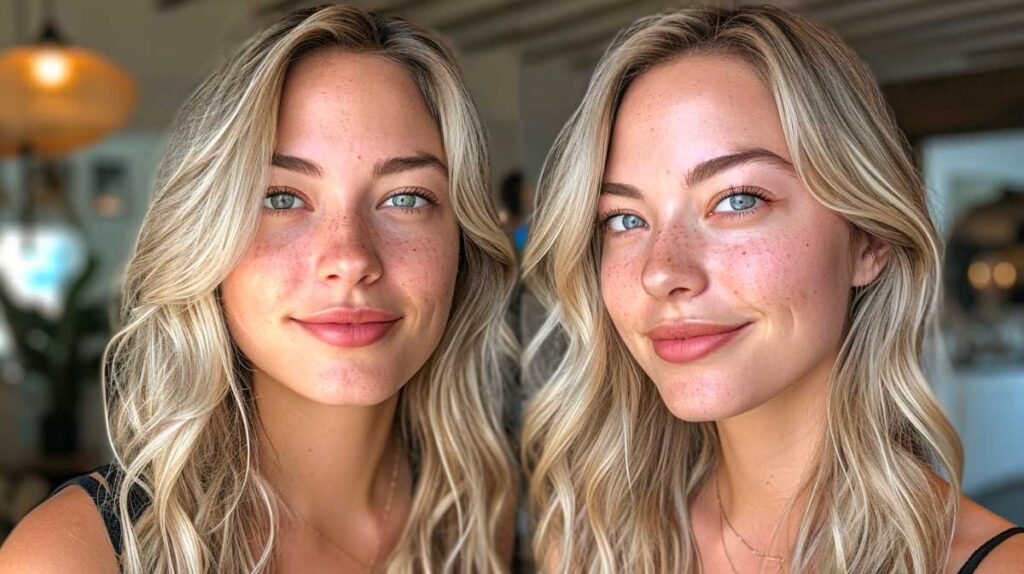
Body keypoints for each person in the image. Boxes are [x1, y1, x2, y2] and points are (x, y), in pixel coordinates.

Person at [0, 5, 517, 573]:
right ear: (206, 238)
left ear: (462, 244)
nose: (350, 260)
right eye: (281, 198)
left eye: (406, 198)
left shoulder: (498, 515)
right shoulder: (74, 557)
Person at [520, 5, 1023, 573]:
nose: (661, 271)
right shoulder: (591, 552)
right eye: (624, 219)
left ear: (868, 241)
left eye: (738, 200)